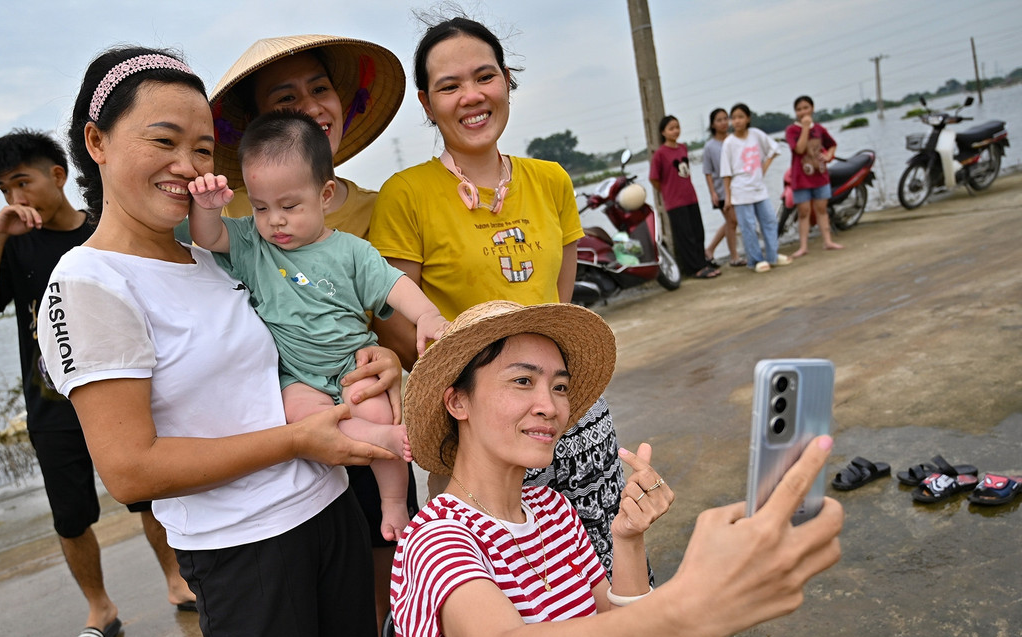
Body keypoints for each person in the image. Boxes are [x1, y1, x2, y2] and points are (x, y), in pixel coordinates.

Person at [390, 299, 955, 637]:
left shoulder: (554, 512)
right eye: (522, 382)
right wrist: (696, 604)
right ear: (456, 402)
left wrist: (627, 543)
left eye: (559, 387)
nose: (550, 406)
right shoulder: (436, 540)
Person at [39, 45, 398, 637]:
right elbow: (131, 468)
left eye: (202, 147)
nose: (186, 163)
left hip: (327, 515)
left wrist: (371, 359)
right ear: (97, 142)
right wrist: (298, 440)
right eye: (163, 140)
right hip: (243, 555)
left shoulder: (212, 254)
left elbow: (303, 336)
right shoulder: (87, 283)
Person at [206, 35, 428, 637]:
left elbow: (404, 323)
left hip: (366, 394)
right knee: (340, 590)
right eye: (282, 100)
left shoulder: (374, 206)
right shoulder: (241, 226)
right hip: (299, 419)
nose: (309, 106)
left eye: (316, 88)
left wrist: (395, 359)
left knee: (390, 567)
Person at [370, 16, 636, 601]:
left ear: (507, 82)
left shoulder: (551, 181)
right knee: (514, 606)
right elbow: (400, 326)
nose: (472, 96)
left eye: (485, 76)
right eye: (449, 85)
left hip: (573, 416)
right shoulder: (405, 196)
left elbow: (559, 309)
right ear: (427, 102)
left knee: (610, 580)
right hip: (478, 432)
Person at [0, 129, 196, 637]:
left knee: (149, 494)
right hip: (52, 405)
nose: (13, 197)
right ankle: (99, 609)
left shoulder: (102, 232)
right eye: (2, 189)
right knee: (70, 516)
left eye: (21, 182)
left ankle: (177, 580)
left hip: (124, 393)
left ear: (58, 175)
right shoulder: (10, 239)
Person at [187, 110, 447, 540]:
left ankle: (394, 505)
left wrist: (426, 315)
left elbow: (394, 284)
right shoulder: (253, 243)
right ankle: (381, 437)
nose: (275, 220)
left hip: (352, 363)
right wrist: (208, 208)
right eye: (261, 206)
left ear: (325, 194)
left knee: (376, 403)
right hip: (296, 374)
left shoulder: (352, 252)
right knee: (301, 417)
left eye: (290, 206)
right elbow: (208, 238)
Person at [720, 103, 791, 273]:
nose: (737, 121)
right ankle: (755, 259)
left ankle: (772, 255)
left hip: (759, 188)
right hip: (740, 189)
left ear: (748, 118)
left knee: (769, 220)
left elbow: (773, 149)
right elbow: (726, 173)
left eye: (740, 117)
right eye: (734, 117)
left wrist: (764, 167)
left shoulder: (756, 135)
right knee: (748, 226)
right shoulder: (729, 143)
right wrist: (728, 197)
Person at [650, 115, 719, 279]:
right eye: (671, 128)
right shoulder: (660, 154)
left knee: (698, 232)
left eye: (677, 127)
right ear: (663, 132)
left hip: (690, 197)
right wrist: (667, 191)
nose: (675, 131)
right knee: (685, 236)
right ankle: (694, 268)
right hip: (675, 202)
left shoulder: (683, 148)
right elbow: (654, 178)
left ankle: (702, 263)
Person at [785, 95, 844, 258]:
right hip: (801, 178)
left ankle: (828, 241)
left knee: (822, 209)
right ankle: (803, 246)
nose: (803, 111)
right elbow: (799, 149)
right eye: (799, 109)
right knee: (803, 212)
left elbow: (832, 144)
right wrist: (805, 128)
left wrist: (829, 156)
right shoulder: (791, 131)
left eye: (806, 108)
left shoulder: (819, 129)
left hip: (820, 175)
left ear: (812, 108)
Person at [702, 108, 745, 267]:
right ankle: (734, 256)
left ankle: (711, 250)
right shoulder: (709, 146)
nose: (723, 123)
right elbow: (707, 172)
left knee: (732, 221)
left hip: (739, 187)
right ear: (713, 124)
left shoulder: (734, 140)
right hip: (721, 190)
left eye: (725, 119)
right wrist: (712, 192)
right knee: (732, 221)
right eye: (719, 120)